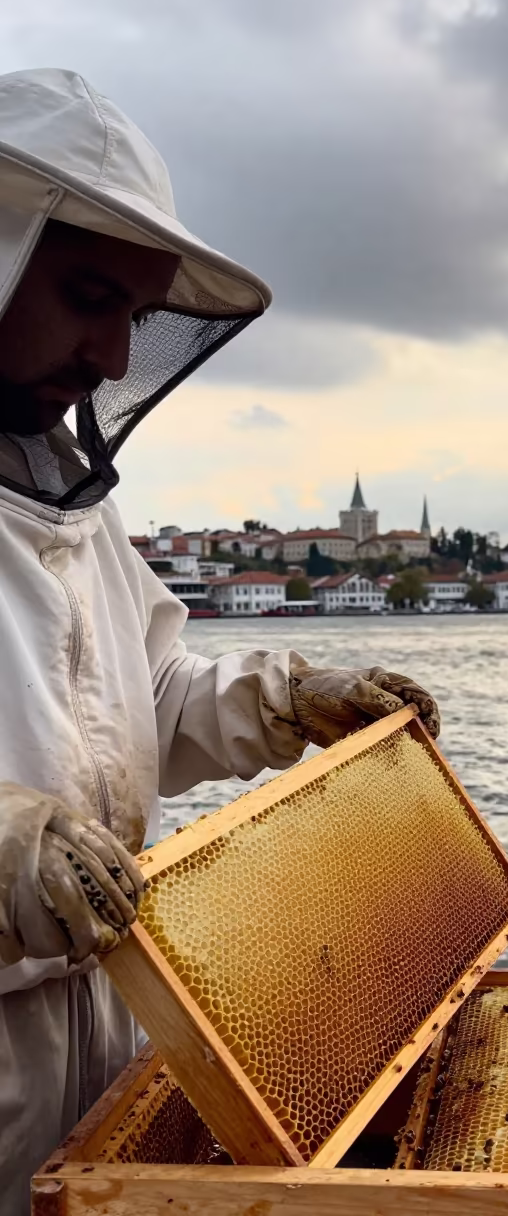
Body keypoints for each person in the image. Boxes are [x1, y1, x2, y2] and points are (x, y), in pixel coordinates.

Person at [0, 68, 440, 1214]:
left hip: (94, 1070)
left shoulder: (73, 513)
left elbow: (145, 701)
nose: (107, 354)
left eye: (132, 318)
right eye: (87, 294)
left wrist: (294, 698)